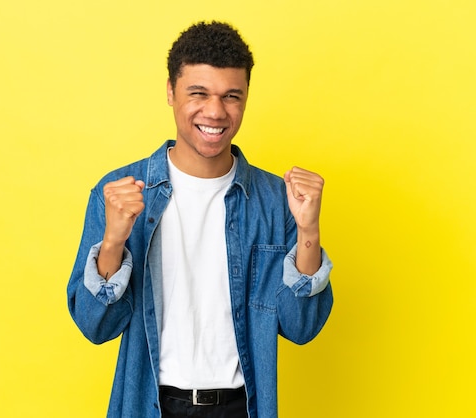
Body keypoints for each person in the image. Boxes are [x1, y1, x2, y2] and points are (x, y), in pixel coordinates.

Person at [67, 21, 334, 418]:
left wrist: (309, 230)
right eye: (199, 93)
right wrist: (113, 242)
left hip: (241, 407)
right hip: (151, 404)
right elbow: (96, 326)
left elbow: (301, 328)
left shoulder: (277, 201)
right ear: (171, 92)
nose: (215, 111)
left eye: (231, 96)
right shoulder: (118, 194)